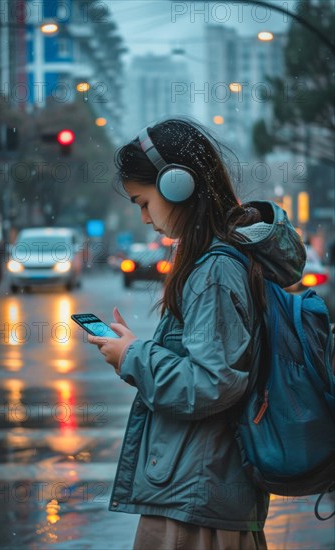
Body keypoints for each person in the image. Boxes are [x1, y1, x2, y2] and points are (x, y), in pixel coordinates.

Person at [87, 118, 306, 550]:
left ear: (177, 187)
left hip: (198, 500)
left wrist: (133, 356)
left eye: (144, 202)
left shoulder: (214, 270)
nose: (145, 218)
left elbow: (211, 383)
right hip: (198, 488)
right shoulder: (216, 261)